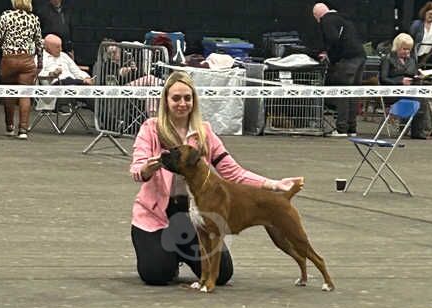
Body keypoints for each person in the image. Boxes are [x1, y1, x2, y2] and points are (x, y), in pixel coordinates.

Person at [130, 71, 304, 286]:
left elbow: (233, 172)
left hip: (194, 214)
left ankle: (185, 252)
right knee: (157, 273)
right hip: (156, 216)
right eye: (176, 98)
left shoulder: (204, 133)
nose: (182, 103)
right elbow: (137, 169)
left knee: (222, 274)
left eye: (188, 98)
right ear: (165, 100)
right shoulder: (150, 129)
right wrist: (147, 169)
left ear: (194, 100)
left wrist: (274, 184)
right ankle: (170, 256)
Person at [0, 0, 42, 140]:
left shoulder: (6, 16)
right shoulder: (34, 19)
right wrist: (40, 62)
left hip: (9, 60)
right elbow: (39, 43)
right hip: (27, 60)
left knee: (9, 92)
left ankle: (9, 126)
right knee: (25, 94)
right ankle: (23, 129)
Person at [312, 2, 366, 137]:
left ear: (317, 15)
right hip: (361, 56)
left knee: (343, 93)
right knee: (353, 94)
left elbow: (332, 39)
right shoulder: (343, 18)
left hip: (347, 60)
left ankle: (341, 128)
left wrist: (329, 55)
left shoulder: (327, 20)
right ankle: (352, 129)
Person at [379, 33, 432, 139]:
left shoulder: (411, 60)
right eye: (404, 49)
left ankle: (418, 132)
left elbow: (413, 74)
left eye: (409, 49)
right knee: (418, 100)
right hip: (392, 92)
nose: (406, 52)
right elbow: (383, 79)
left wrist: (419, 77)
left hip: (409, 90)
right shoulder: (388, 59)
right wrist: (400, 81)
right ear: (397, 47)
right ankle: (413, 130)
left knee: (422, 100)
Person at [409, 1, 432, 67]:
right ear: (425, 12)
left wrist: (425, 58)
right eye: (430, 13)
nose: (431, 16)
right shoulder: (416, 24)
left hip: (427, 59)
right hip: (412, 58)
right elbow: (409, 42)